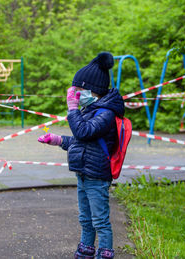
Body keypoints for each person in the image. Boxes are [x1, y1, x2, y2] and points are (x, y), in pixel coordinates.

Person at [38, 52, 124, 259]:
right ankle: (86, 250)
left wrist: (72, 109)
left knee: (100, 220)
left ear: (94, 91)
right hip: (84, 173)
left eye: (79, 90)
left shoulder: (106, 113)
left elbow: (84, 132)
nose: (76, 94)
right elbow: (82, 140)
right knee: (85, 218)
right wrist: (58, 140)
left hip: (97, 176)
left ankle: (104, 253)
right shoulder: (90, 109)